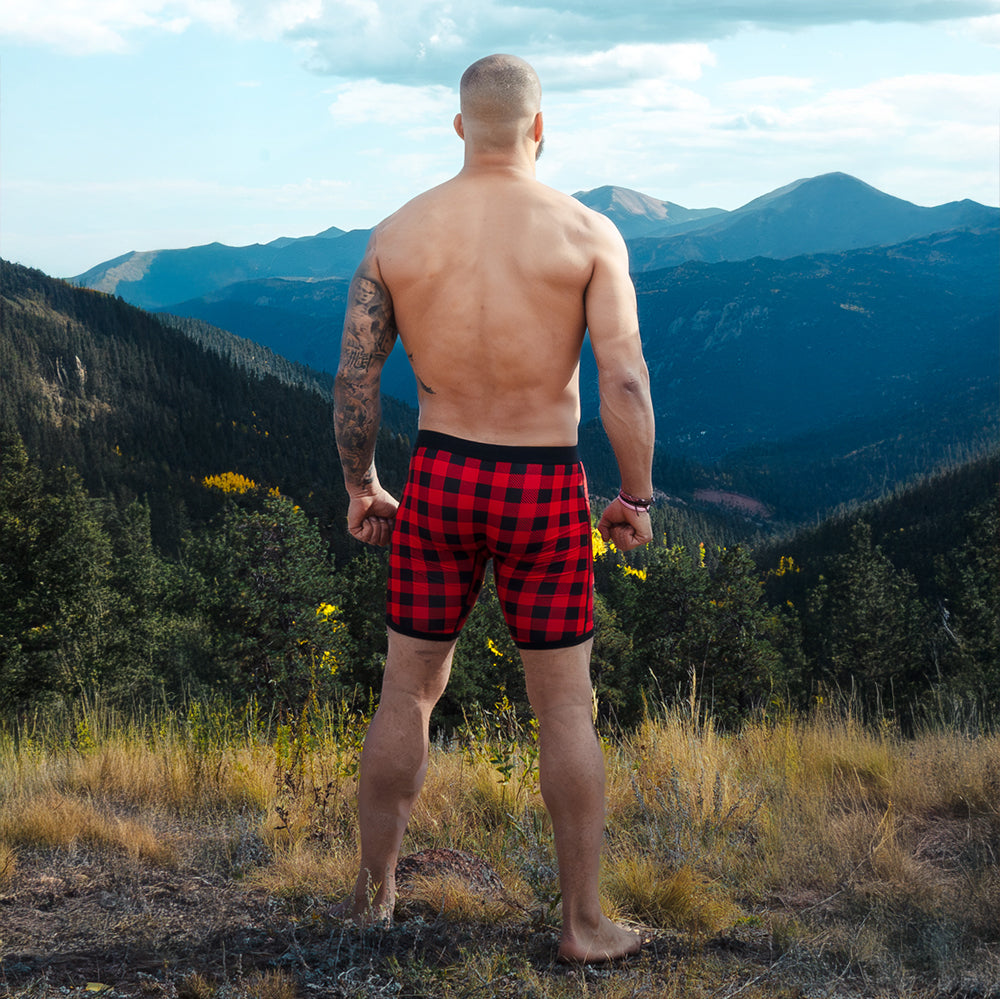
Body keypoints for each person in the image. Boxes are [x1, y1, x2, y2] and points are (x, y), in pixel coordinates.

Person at [333, 53, 655, 964]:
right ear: (541, 129)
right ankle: (584, 925)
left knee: (408, 692)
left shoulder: (399, 233)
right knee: (566, 711)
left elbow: (356, 378)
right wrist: (632, 495)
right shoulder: (587, 234)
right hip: (543, 485)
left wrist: (362, 484)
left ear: (459, 127)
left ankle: (373, 899)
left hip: (439, 475)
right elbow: (623, 379)